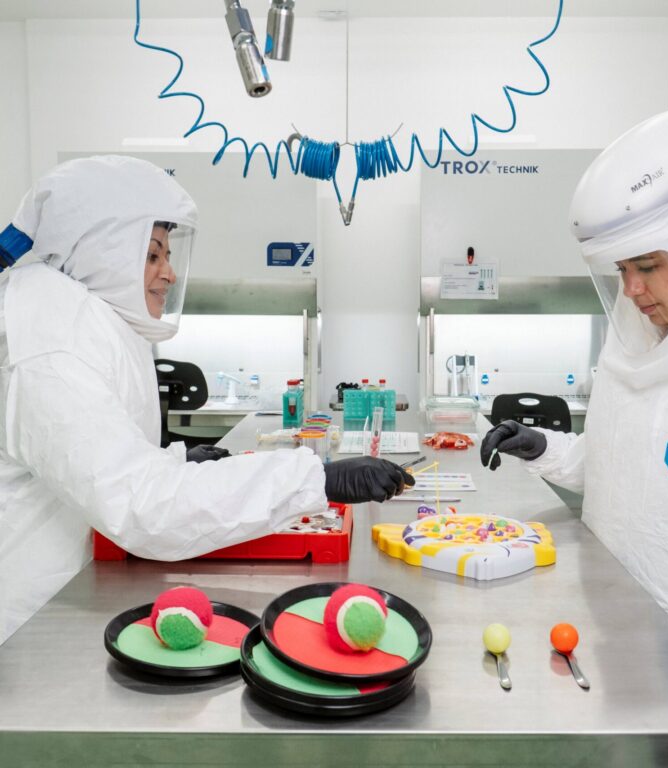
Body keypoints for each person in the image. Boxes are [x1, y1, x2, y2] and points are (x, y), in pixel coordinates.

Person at [0, 155, 413, 644]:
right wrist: (315, 478)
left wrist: (172, 462)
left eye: (168, 256)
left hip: (72, 594)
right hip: (28, 624)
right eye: (152, 256)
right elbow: (141, 505)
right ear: (101, 250)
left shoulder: (88, 320)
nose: (170, 274)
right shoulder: (55, 340)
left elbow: (102, 464)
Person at [480, 108, 668, 761]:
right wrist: (545, 447)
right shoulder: (634, 344)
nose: (632, 289)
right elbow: (626, 470)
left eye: (648, 264)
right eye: (621, 270)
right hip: (613, 647)